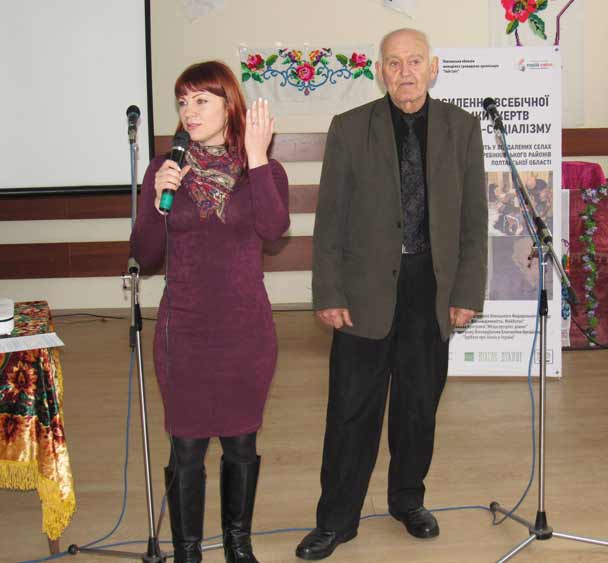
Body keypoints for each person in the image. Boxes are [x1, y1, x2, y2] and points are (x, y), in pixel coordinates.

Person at [295, 29, 487, 560]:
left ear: (433, 68)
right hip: (363, 292)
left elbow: (474, 219)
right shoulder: (350, 128)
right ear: (380, 71)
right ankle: (336, 520)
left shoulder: (462, 128)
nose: (405, 72)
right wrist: (328, 291)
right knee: (351, 410)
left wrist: (467, 289)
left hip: (432, 287)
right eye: (394, 63)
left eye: (415, 61)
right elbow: (330, 219)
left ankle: (408, 501)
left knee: (418, 406)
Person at [130, 60, 289, 563]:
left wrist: (258, 158)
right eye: (183, 101)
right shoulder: (165, 169)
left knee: (241, 443)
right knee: (187, 449)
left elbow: (275, 228)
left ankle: (238, 546)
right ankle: (188, 552)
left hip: (245, 330)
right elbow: (145, 256)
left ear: (229, 105)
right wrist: (155, 202)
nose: (189, 111)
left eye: (201, 100)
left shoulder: (263, 169)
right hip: (185, 331)